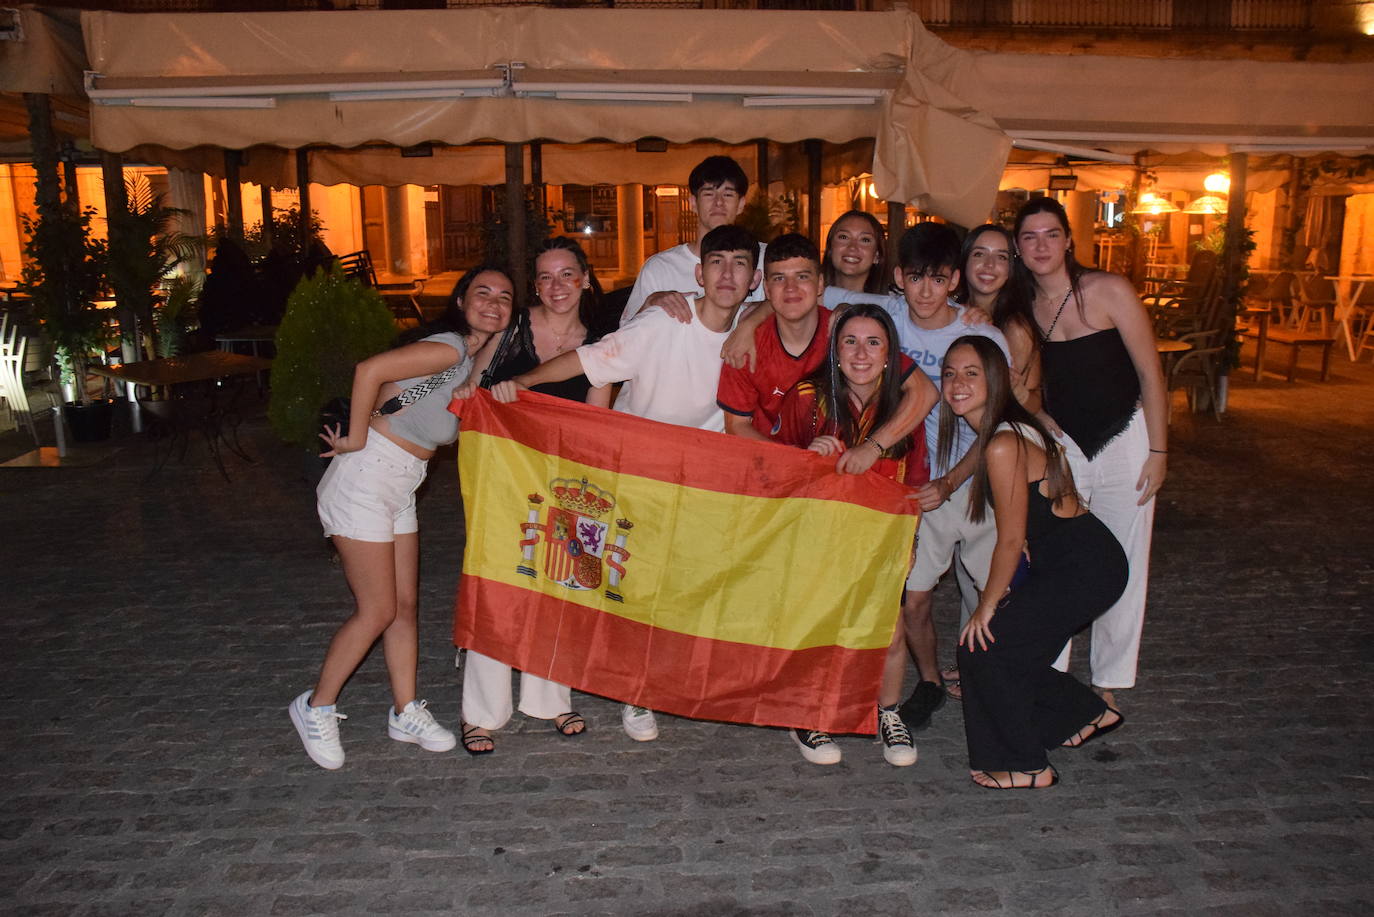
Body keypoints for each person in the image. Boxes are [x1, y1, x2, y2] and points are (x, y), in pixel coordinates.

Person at [478, 225, 762, 742]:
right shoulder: (663, 320)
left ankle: (672, 680)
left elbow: (816, 315)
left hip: (700, 480)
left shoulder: (755, 329)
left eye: (740, 264)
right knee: (626, 585)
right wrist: (521, 383)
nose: (727, 274)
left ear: (754, 279)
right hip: (637, 474)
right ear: (699, 273)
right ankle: (635, 693)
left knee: (683, 587)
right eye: (717, 263)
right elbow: (592, 362)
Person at [288, 265, 515, 770]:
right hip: (366, 476)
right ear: (461, 300)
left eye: (504, 297)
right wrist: (354, 438)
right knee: (377, 609)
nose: (494, 303)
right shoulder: (451, 347)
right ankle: (315, 706)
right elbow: (369, 369)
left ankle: (404, 710)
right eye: (483, 292)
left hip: (402, 481)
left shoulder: (470, 363)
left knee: (405, 606)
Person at [941, 336, 1127, 789]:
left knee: (981, 647)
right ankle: (1083, 714)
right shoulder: (1005, 432)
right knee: (1005, 650)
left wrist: (985, 605)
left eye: (972, 373)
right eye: (949, 373)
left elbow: (1008, 540)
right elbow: (1024, 532)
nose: (957, 383)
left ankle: (1026, 765)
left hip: (1084, 566)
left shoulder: (1002, 443)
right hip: (1073, 560)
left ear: (996, 379)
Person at [1010, 197, 1167, 710]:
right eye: (1029, 237)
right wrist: (1040, 419)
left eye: (1050, 234)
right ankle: (1051, 677)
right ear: (1018, 246)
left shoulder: (1108, 290)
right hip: (1064, 450)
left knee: (1124, 561)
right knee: (1060, 563)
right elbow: (1019, 387)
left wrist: (1160, 449)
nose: (1041, 245)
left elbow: (1150, 374)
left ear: (1069, 239)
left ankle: (1111, 682)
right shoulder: (1020, 309)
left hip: (1127, 439)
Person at [457, 238, 611, 755]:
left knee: (562, 582)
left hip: (567, 479)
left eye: (567, 274)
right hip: (503, 479)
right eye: (545, 277)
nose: (556, 286)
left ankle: (551, 698)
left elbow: (598, 420)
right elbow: (471, 392)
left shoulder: (599, 341)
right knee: (497, 585)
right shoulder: (513, 327)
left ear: (586, 279)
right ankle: (481, 711)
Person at [774, 303, 928, 767]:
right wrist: (807, 454)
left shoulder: (905, 409)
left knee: (891, 630)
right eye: (850, 342)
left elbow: (913, 483)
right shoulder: (806, 397)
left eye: (874, 342)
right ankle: (808, 714)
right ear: (835, 351)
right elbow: (771, 470)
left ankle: (888, 712)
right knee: (820, 626)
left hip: (879, 538)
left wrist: (911, 539)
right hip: (817, 536)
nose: (861, 353)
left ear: (890, 355)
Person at [880, 223, 1011, 734]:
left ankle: (995, 682)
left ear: (955, 280)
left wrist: (952, 481)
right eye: (916, 278)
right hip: (919, 485)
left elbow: (1001, 424)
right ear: (898, 279)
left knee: (994, 594)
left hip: (975, 481)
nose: (927, 291)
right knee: (913, 597)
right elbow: (813, 295)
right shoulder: (887, 318)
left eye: (938, 279)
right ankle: (931, 681)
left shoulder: (980, 334)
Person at [716, 232, 934, 464]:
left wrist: (872, 448)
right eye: (779, 278)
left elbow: (925, 392)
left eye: (802, 277)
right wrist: (795, 461)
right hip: (770, 466)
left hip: (840, 472)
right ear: (767, 290)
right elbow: (737, 426)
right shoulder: (747, 345)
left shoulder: (846, 334)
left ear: (820, 283)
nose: (790, 288)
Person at [941, 223, 1038, 697]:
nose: (989, 266)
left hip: (1010, 450)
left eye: (1001, 257)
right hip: (982, 452)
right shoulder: (965, 316)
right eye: (979, 254)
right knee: (972, 569)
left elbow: (1024, 400)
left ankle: (1003, 662)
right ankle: (974, 656)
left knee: (1003, 560)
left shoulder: (1012, 325)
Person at [620, 155, 766, 323]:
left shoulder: (767, 258)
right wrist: (649, 304)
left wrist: (760, 310)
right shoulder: (660, 268)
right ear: (693, 203)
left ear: (741, 204)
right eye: (709, 194)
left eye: (728, 194)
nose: (718, 202)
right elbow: (626, 333)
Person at [821, 209, 890, 309]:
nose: (852, 247)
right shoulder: (806, 302)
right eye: (844, 237)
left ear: (877, 256)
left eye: (865, 240)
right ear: (830, 248)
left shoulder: (894, 309)